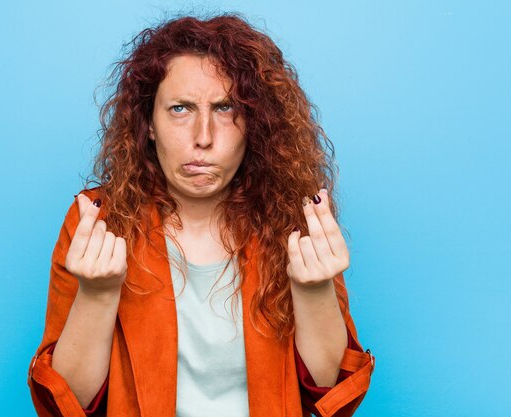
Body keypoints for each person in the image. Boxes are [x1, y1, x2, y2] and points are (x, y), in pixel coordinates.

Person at [28, 12, 375, 417]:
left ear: (255, 124)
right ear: (149, 123)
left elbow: (332, 398)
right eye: (180, 108)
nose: (203, 137)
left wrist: (315, 292)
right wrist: (97, 294)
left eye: (226, 107)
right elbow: (66, 406)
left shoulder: (295, 223)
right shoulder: (98, 222)